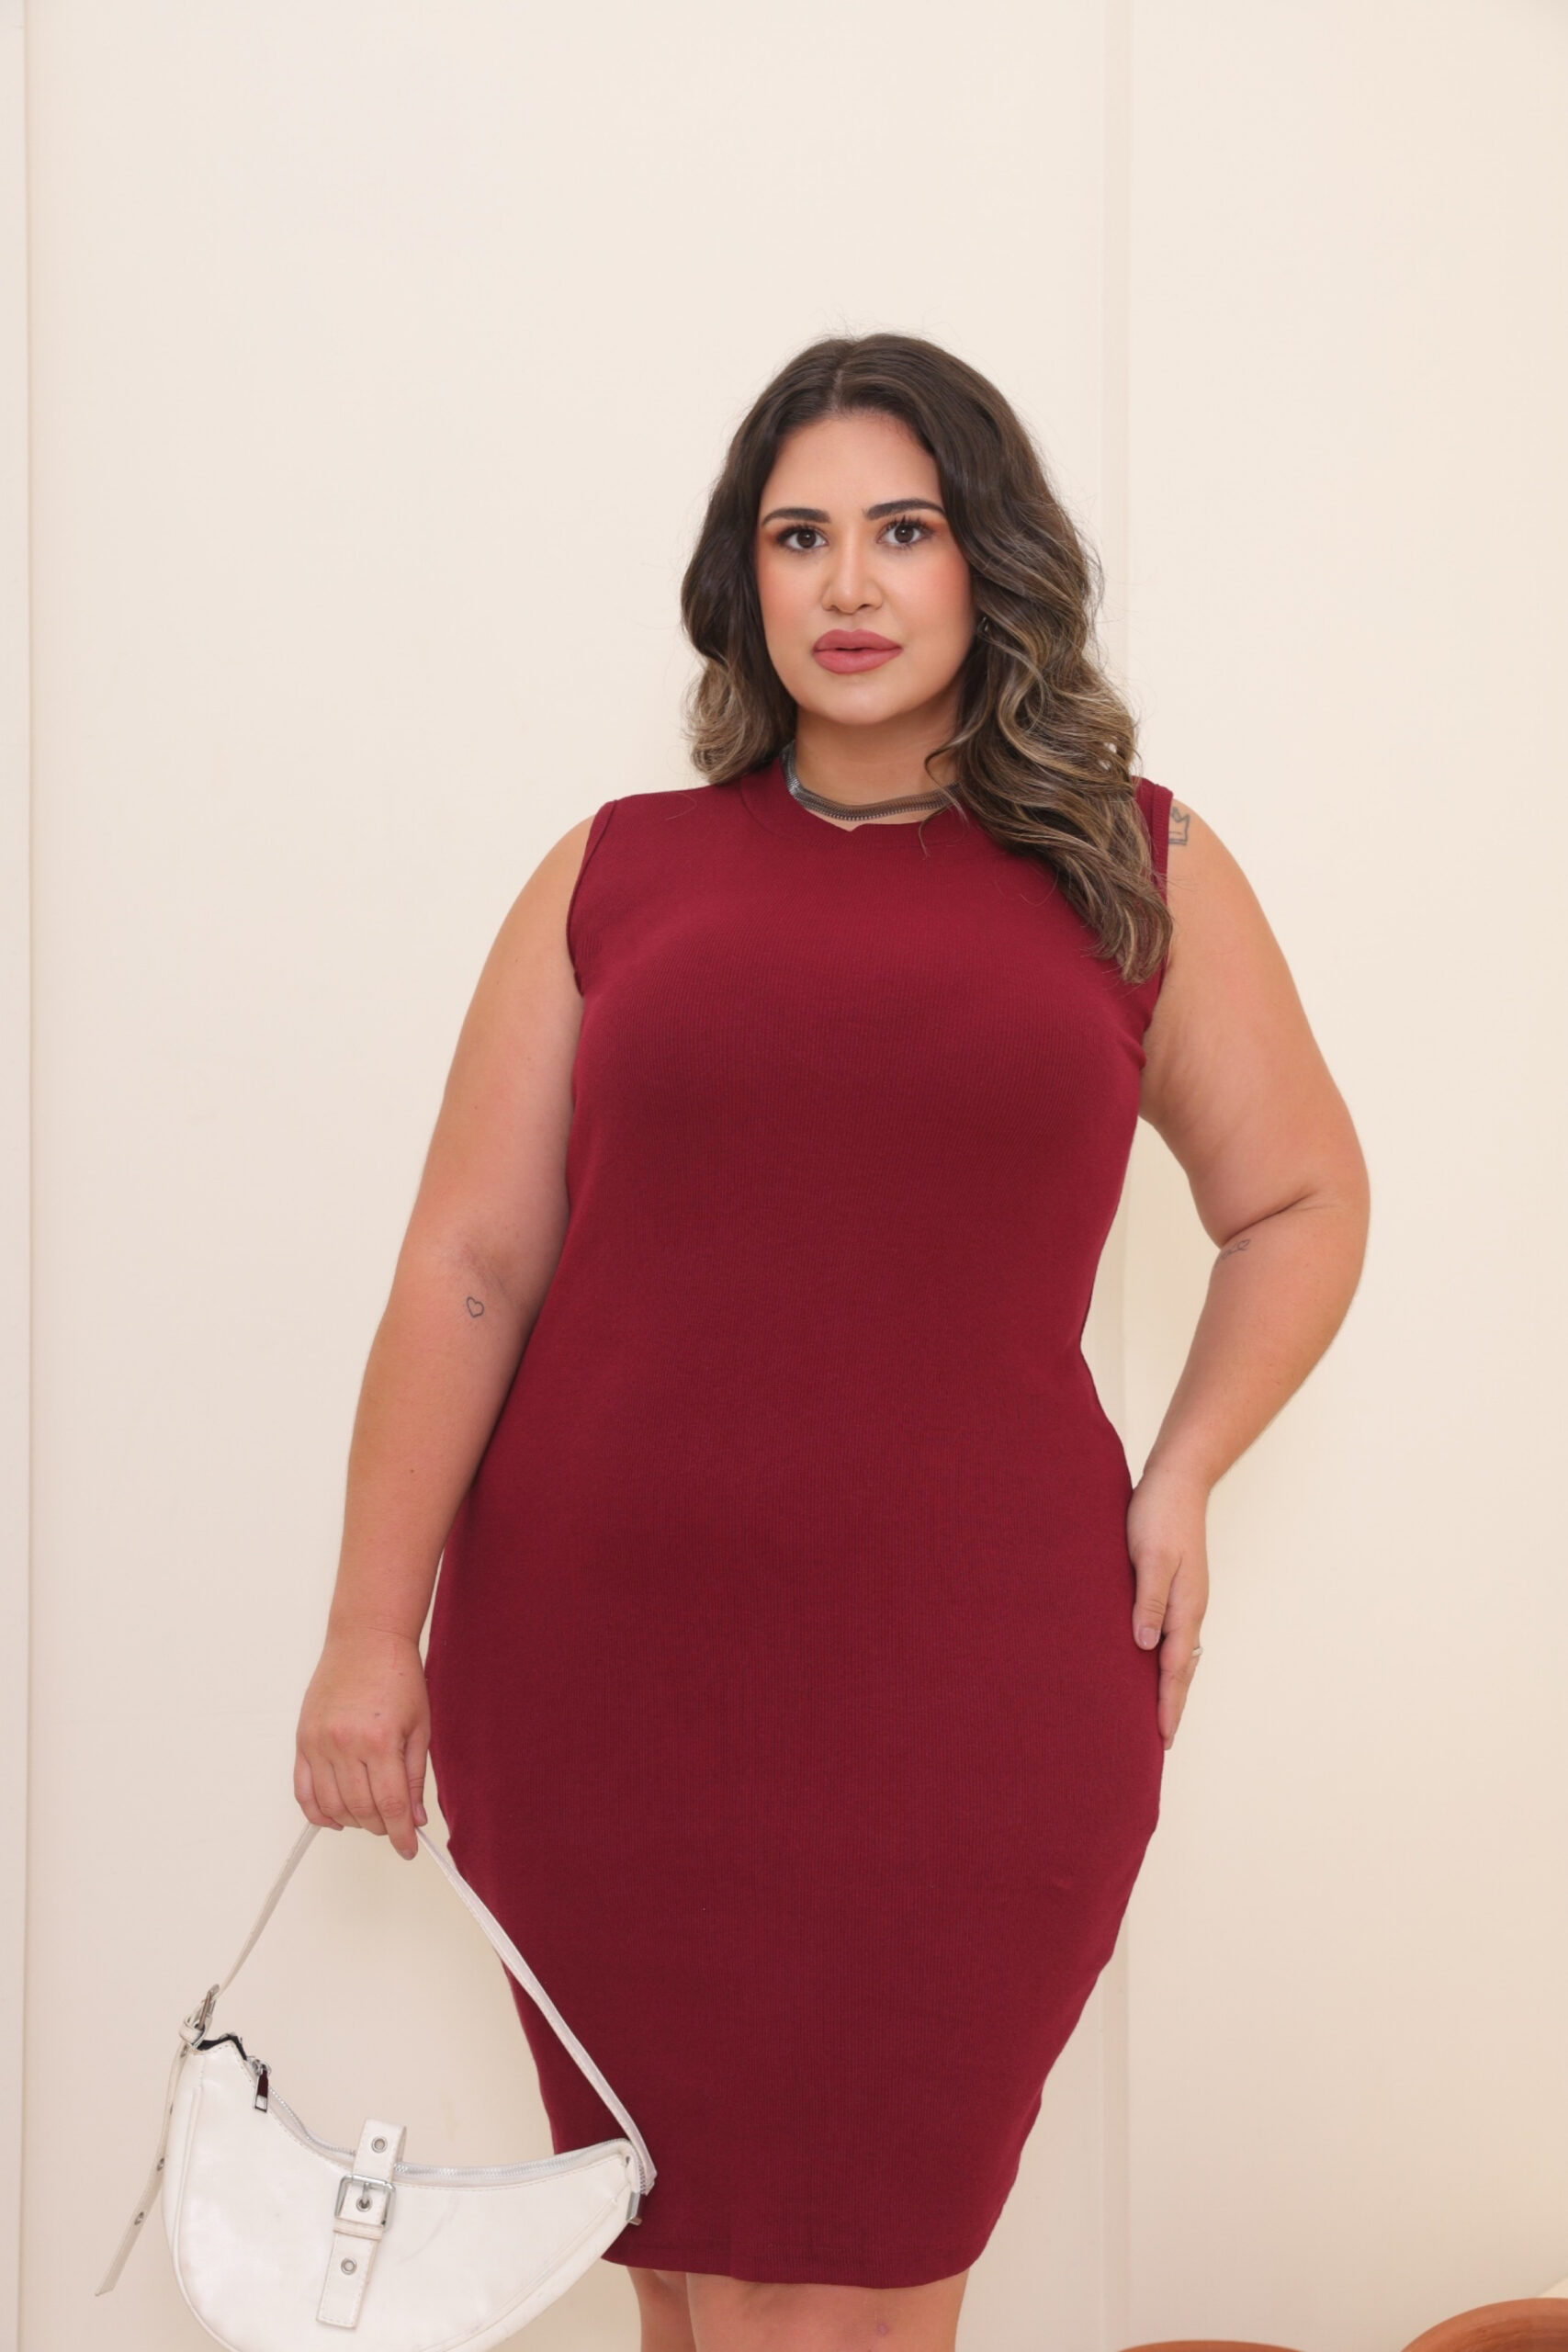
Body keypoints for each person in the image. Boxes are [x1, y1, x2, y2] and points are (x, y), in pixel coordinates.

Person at [293, 332, 1370, 2352]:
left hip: (969, 1683)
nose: (849, 585)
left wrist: (1184, 1467)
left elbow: (1303, 1198)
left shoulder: (1131, 866)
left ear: (988, 564)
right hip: (598, 1682)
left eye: (903, 531)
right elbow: (468, 1267)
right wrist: (371, 1629)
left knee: (842, 2287)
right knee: (683, 2274)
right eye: (799, 538)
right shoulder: (617, 871)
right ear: (744, 575)